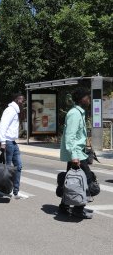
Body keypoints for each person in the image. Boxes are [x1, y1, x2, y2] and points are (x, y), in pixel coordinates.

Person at [59, 88, 94, 219]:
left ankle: (64, 206)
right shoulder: (74, 114)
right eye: (87, 97)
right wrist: (74, 156)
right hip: (76, 154)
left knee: (71, 182)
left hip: (77, 153)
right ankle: (78, 209)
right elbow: (70, 137)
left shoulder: (79, 113)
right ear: (81, 99)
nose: (89, 100)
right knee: (87, 179)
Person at [0, 93, 28, 199]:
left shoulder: (15, 111)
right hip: (8, 142)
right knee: (8, 168)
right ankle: (7, 190)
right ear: (16, 100)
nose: (22, 102)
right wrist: (3, 142)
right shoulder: (10, 110)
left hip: (13, 142)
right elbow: (3, 125)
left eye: (23, 101)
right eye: (21, 100)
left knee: (18, 166)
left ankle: (16, 192)